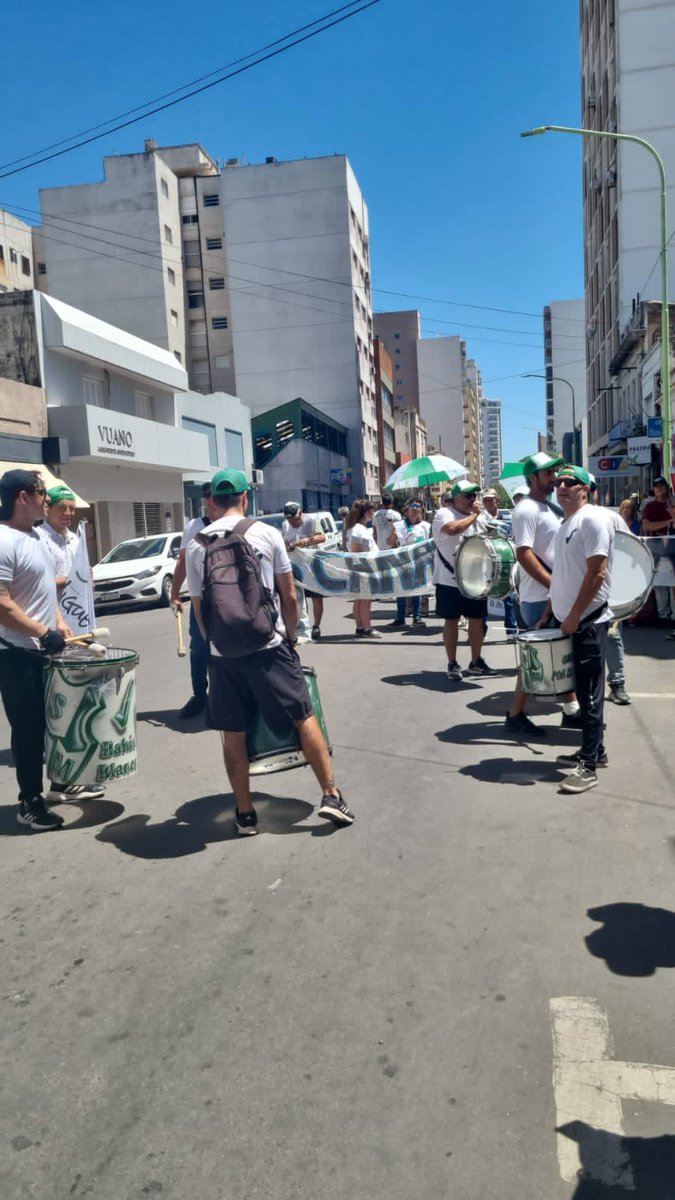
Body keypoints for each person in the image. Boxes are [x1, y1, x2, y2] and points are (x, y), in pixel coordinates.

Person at [185, 469, 353, 834]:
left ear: (213, 501)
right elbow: (289, 596)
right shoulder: (267, 533)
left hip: (222, 653)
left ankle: (245, 814)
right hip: (269, 644)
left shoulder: (197, 545)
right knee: (303, 715)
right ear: (245, 497)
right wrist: (290, 638)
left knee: (233, 732)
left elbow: (199, 609)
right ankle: (330, 795)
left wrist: (215, 645)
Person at [0, 470, 104, 832]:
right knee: (28, 731)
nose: (46, 498)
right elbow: (2, 605)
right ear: (22, 498)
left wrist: (58, 622)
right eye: (41, 492)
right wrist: (42, 632)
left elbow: (44, 589)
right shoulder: (3, 540)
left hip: (43, 648)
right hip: (15, 653)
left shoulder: (36, 537)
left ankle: (61, 783)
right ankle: (29, 802)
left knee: (56, 724)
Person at [504, 452, 584, 737]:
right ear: (533, 477)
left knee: (560, 657)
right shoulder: (526, 509)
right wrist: (553, 585)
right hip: (539, 598)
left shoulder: (547, 507)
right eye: (549, 474)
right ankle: (515, 715)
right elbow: (524, 554)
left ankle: (572, 711)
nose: (555, 478)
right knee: (535, 661)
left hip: (550, 595)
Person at [547, 464, 615, 795]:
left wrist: (574, 614)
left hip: (587, 622)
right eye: (558, 482)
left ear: (584, 489)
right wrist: (551, 608)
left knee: (589, 695)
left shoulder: (592, 519)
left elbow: (597, 573)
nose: (561, 486)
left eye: (569, 482)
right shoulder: (567, 524)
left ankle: (588, 767)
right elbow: (565, 573)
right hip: (573, 621)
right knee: (584, 692)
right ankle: (595, 751)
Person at [432, 480, 492, 680]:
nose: (473, 499)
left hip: (475, 578)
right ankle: (452, 663)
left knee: (476, 620)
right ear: (456, 498)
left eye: (475, 495)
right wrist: (474, 516)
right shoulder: (444, 513)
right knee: (452, 620)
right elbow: (452, 529)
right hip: (449, 579)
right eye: (468, 496)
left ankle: (476, 661)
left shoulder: (480, 516)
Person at [171, 482, 214, 719]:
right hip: (201, 599)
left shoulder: (238, 523)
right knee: (198, 651)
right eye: (207, 496)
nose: (211, 500)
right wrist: (175, 593)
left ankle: (233, 696)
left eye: (215, 495)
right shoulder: (194, 526)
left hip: (232, 599)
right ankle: (200, 696)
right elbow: (183, 561)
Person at [281, 501, 326, 641]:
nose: (293, 523)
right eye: (290, 521)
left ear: (300, 513)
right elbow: (284, 542)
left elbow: (322, 537)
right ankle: (300, 627)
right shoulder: (285, 525)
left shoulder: (311, 520)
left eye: (295, 519)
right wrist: (288, 547)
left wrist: (305, 542)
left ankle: (316, 625)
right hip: (295, 566)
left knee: (316, 597)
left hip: (312, 565)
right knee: (298, 598)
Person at [387, 499, 430, 628]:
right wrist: (393, 536)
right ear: (407, 510)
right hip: (402, 561)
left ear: (422, 511)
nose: (415, 510)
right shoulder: (398, 525)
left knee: (417, 590)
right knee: (400, 591)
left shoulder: (426, 526)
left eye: (418, 508)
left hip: (418, 562)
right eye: (413, 508)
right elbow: (390, 543)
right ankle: (400, 618)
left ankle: (417, 617)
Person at [482, 487, 518, 640]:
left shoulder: (508, 517)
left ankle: (511, 631)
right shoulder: (479, 518)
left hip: (504, 560)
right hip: (485, 561)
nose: (488, 502)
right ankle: (480, 632)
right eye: (485, 500)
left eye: (490, 499)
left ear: (497, 500)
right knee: (483, 597)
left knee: (508, 597)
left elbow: (513, 537)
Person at [640, 476, 675, 623]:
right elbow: (647, 526)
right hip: (656, 547)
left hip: (672, 547)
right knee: (659, 582)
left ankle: (673, 616)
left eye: (662, 485)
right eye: (656, 486)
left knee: (673, 583)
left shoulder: (673, 503)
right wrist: (668, 522)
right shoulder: (649, 506)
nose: (659, 488)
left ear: (667, 487)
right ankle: (663, 615)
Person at [344, 499, 379, 637]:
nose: (373, 514)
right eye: (372, 511)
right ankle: (367, 628)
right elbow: (357, 552)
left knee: (360, 599)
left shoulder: (358, 528)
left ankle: (360, 626)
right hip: (363, 569)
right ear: (365, 512)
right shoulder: (357, 530)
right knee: (365, 599)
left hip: (363, 568)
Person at [37, 484, 78, 595]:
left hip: (76, 604)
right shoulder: (37, 538)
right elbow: (34, 583)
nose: (68, 513)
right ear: (47, 509)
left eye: (72, 509)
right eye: (62, 508)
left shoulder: (74, 539)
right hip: (49, 604)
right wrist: (71, 580)